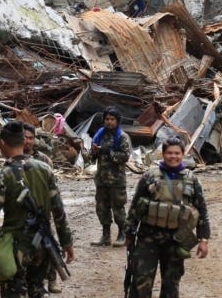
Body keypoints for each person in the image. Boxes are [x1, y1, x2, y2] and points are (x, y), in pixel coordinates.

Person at [0, 121, 75, 298]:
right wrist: (67, 242)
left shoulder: (3, 175)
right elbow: (58, 210)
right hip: (42, 243)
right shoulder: (45, 169)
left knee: (13, 291)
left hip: (15, 245)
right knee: (37, 290)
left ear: (2, 144)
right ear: (22, 141)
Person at [124, 136, 210, 298]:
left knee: (171, 285)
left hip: (175, 240)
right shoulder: (149, 176)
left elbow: (202, 211)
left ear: (183, 155)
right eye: (169, 153)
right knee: (141, 281)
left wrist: (203, 240)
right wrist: (129, 233)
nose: (173, 156)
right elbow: (135, 207)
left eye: (177, 153)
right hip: (148, 237)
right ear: (163, 154)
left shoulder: (191, 180)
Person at [23, 123, 58, 294]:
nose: (28, 141)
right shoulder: (15, 158)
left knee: (47, 243)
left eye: (31, 138)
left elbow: (53, 188)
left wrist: (49, 209)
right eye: (25, 137)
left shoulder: (44, 160)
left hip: (42, 210)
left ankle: (52, 279)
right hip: (23, 213)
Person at [90, 107, 132, 247]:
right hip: (101, 179)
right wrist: (94, 152)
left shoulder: (122, 137)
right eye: (107, 119)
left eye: (112, 119)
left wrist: (108, 152)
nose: (109, 122)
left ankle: (122, 234)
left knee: (118, 208)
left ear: (117, 121)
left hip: (116, 180)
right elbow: (91, 157)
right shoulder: (99, 136)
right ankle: (105, 236)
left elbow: (125, 157)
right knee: (102, 208)